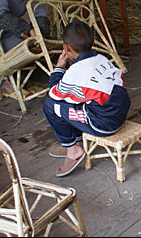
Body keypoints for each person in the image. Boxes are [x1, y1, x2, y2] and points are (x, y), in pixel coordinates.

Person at [42, 20, 130, 177]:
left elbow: (54, 93)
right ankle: (73, 142)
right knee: (74, 100)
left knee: (51, 106)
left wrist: (59, 68)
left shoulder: (76, 72)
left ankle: (73, 149)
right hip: (118, 115)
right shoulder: (102, 59)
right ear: (93, 43)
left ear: (66, 48)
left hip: (103, 125)